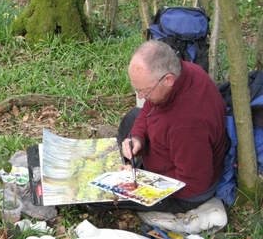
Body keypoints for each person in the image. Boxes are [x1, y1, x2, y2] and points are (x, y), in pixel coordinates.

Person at [87, 40, 227, 217]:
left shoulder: (188, 126)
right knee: (133, 116)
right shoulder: (184, 71)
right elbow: (149, 109)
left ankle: (129, 168)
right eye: (137, 89)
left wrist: (141, 181)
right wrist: (136, 137)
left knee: (95, 198)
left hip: (183, 192)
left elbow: (193, 184)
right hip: (169, 152)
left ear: (168, 79)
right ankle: (128, 159)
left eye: (144, 91)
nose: (140, 96)